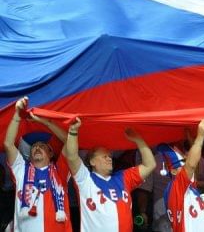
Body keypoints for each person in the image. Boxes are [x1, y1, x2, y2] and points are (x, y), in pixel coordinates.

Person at [62, 117, 156, 232]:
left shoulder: (123, 177)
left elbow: (150, 165)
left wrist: (138, 140)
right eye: (104, 157)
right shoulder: (85, 179)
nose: (109, 159)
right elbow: (71, 157)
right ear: (92, 162)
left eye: (110, 157)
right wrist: (73, 130)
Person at [3, 97, 72, 232]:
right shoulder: (21, 169)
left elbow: (70, 140)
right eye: (34, 146)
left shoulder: (60, 170)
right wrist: (17, 115)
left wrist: (46, 122)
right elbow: (8, 144)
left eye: (42, 146)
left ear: (51, 153)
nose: (37, 148)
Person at [159, 119, 204, 232]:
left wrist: (191, 141)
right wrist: (200, 137)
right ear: (173, 171)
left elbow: (194, 167)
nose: (187, 165)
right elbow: (191, 165)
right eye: (183, 163)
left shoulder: (187, 188)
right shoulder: (176, 186)